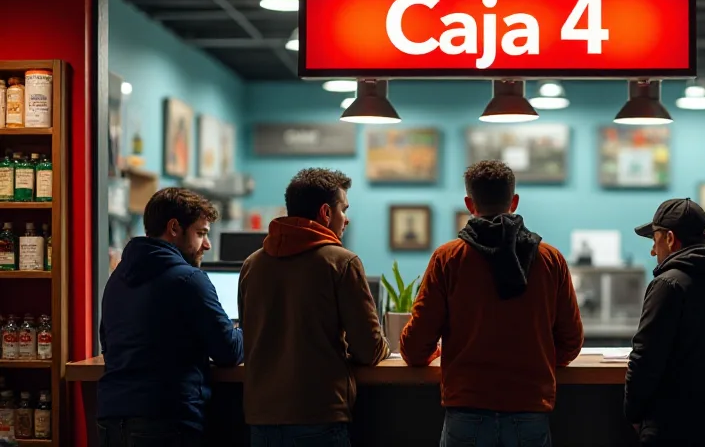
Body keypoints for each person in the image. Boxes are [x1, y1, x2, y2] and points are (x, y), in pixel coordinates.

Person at [401, 160, 584, 447]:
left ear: (469, 203)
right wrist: (541, 358)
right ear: (514, 201)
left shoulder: (448, 259)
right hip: (530, 409)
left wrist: (432, 355)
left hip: (467, 412)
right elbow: (571, 341)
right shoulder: (550, 259)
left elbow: (415, 346)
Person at [239, 168, 389, 447]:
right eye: (343, 209)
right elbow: (368, 349)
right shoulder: (341, 263)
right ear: (325, 212)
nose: (346, 219)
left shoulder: (252, 264)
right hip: (318, 414)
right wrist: (386, 347)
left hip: (261, 418)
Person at [97, 187, 243, 446]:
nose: (207, 245)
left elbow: (107, 343)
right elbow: (228, 350)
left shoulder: (117, 279)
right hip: (165, 422)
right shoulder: (189, 279)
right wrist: (249, 330)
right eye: (201, 234)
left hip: (111, 422)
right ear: (174, 227)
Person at [624, 198, 705, 446]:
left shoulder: (667, 285)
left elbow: (644, 358)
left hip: (673, 428)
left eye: (654, 239)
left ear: (670, 239)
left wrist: (634, 414)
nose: (652, 250)